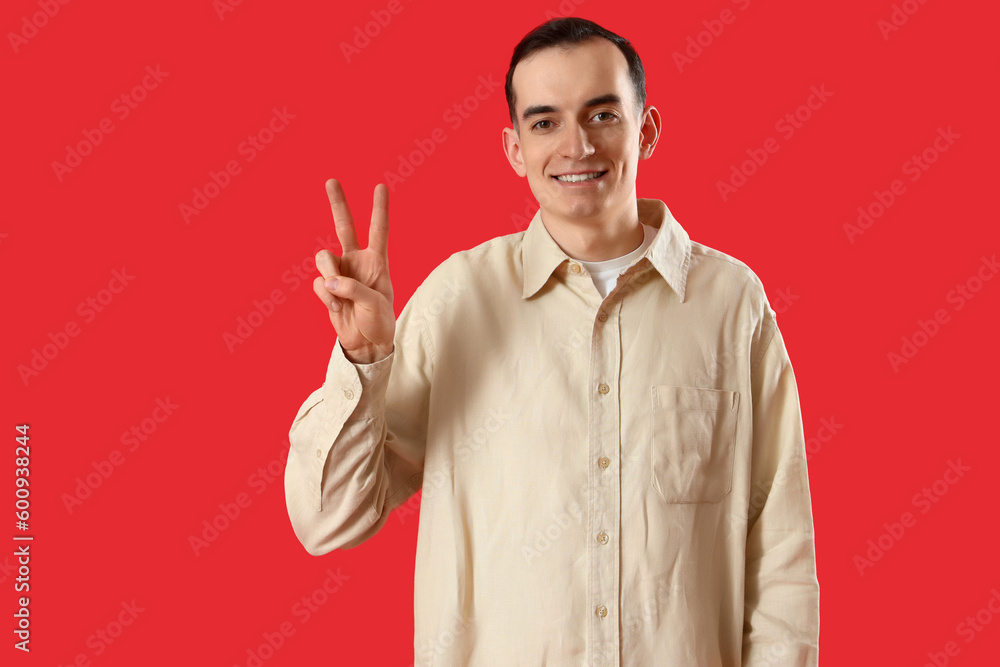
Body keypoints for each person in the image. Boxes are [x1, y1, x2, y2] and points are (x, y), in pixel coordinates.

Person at [284, 16, 819, 666]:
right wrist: (363, 363)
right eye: (545, 122)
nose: (576, 146)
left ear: (645, 129)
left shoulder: (732, 305)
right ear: (514, 149)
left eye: (601, 116)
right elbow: (326, 521)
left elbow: (781, 554)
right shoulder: (459, 299)